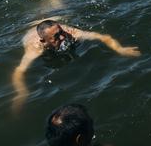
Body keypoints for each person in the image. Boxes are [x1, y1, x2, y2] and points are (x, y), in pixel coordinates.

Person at [12, 20, 140, 111]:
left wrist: (120, 49)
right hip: (32, 26)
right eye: (56, 37)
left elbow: (102, 37)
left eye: (61, 32)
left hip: (52, 19)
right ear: (44, 41)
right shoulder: (35, 49)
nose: (63, 37)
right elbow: (19, 71)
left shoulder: (70, 33)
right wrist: (22, 92)